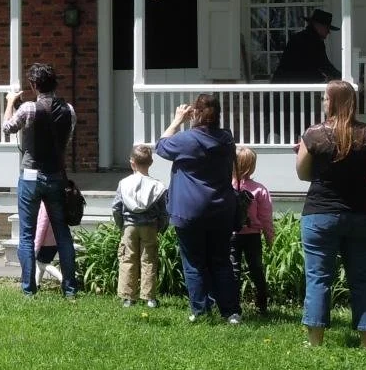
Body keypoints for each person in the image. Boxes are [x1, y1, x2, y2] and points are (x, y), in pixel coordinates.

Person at [296, 80, 366, 348]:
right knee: (363, 277)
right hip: (361, 212)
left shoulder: (314, 134)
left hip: (321, 212)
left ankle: (316, 340)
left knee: (319, 277)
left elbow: (303, 173)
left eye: (325, 98)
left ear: (333, 102)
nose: (323, 102)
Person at [156, 94, 242, 324]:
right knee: (221, 261)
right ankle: (231, 312)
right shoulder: (226, 139)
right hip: (221, 209)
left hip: (189, 211)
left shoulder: (186, 140)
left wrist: (177, 120)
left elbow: (160, 146)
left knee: (194, 262)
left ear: (195, 113)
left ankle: (201, 310)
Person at [2, 63, 77, 297]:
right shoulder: (69, 110)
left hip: (31, 175)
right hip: (56, 175)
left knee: (26, 234)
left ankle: (28, 289)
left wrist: (9, 102)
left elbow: (8, 128)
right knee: (63, 233)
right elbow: (67, 139)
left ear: (34, 85)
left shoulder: (28, 109)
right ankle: (70, 289)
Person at [111, 144, 168, 309]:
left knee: (128, 258)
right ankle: (149, 297)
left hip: (129, 226)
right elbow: (164, 212)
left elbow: (116, 207)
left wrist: (121, 224)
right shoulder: (158, 186)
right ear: (151, 163)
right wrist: (161, 227)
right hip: (149, 226)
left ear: (132, 162)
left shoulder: (124, 183)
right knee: (149, 260)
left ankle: (128, 297)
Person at [232, 146, 274, 317]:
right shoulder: (259, 189)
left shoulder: (225, 188)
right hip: (253, 236)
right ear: (252, 166)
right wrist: (270, 237)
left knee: (233, 270)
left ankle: (233, 307)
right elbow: (266, 218)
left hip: (231, 235)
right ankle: (261, 306)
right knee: (256, 269)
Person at [271, 9, 341, 84]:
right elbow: (324, 65)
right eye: (327, 27)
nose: (328, 32)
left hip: (283, 84)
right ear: (318, 25)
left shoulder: (301, 37)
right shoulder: (313, 41)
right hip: (291, 86)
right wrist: (341, 77)